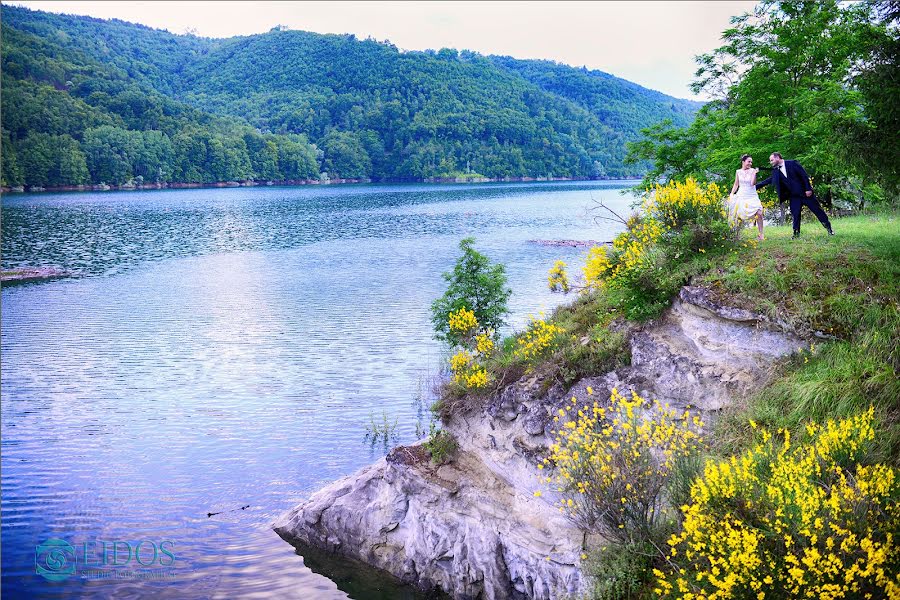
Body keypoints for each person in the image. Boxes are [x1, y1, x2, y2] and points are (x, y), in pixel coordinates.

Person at [756, 152, 833, 238]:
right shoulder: (776, 171)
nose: (771, 162)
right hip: (794, 197)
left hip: (805, 194)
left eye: (772, 160)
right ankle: (796, 234)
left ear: (777, 157)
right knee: (795, 215)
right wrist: (754, 187)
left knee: (818, 211)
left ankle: (829, 229)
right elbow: (768, 181)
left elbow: (804, 175)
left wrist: (808, 189)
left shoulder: (793, 163)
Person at [728, 154, 765, 241]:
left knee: (759, 213)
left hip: (752, 195)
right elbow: (736, 184)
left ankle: (761, 234)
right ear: (743, 162)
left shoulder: (752, 171)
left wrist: (755, 174)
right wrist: (732, 194)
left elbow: (752, 183)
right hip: (741, 195)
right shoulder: (738, 172)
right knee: (739, 215)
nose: (750, 163)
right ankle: (736, 235)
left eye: (751, 162)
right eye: (749, 161)